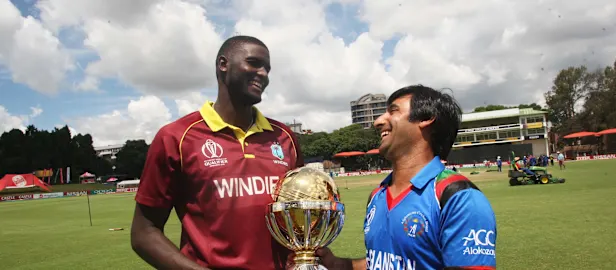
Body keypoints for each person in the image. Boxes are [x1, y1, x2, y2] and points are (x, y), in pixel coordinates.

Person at [130, 35, 304, 270]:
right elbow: (144, 232)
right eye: (254, 63)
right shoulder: (176, 137)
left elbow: (303, 219)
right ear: (223, 64)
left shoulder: (284, 138)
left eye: (267, 69)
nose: (263, 74)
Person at [311, 85, 497, 270]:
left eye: (393, 111)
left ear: (425, 119)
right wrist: (338, 265)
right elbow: (384, 263)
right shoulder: (377, 195)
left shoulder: (458, 197)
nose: (378, 121)